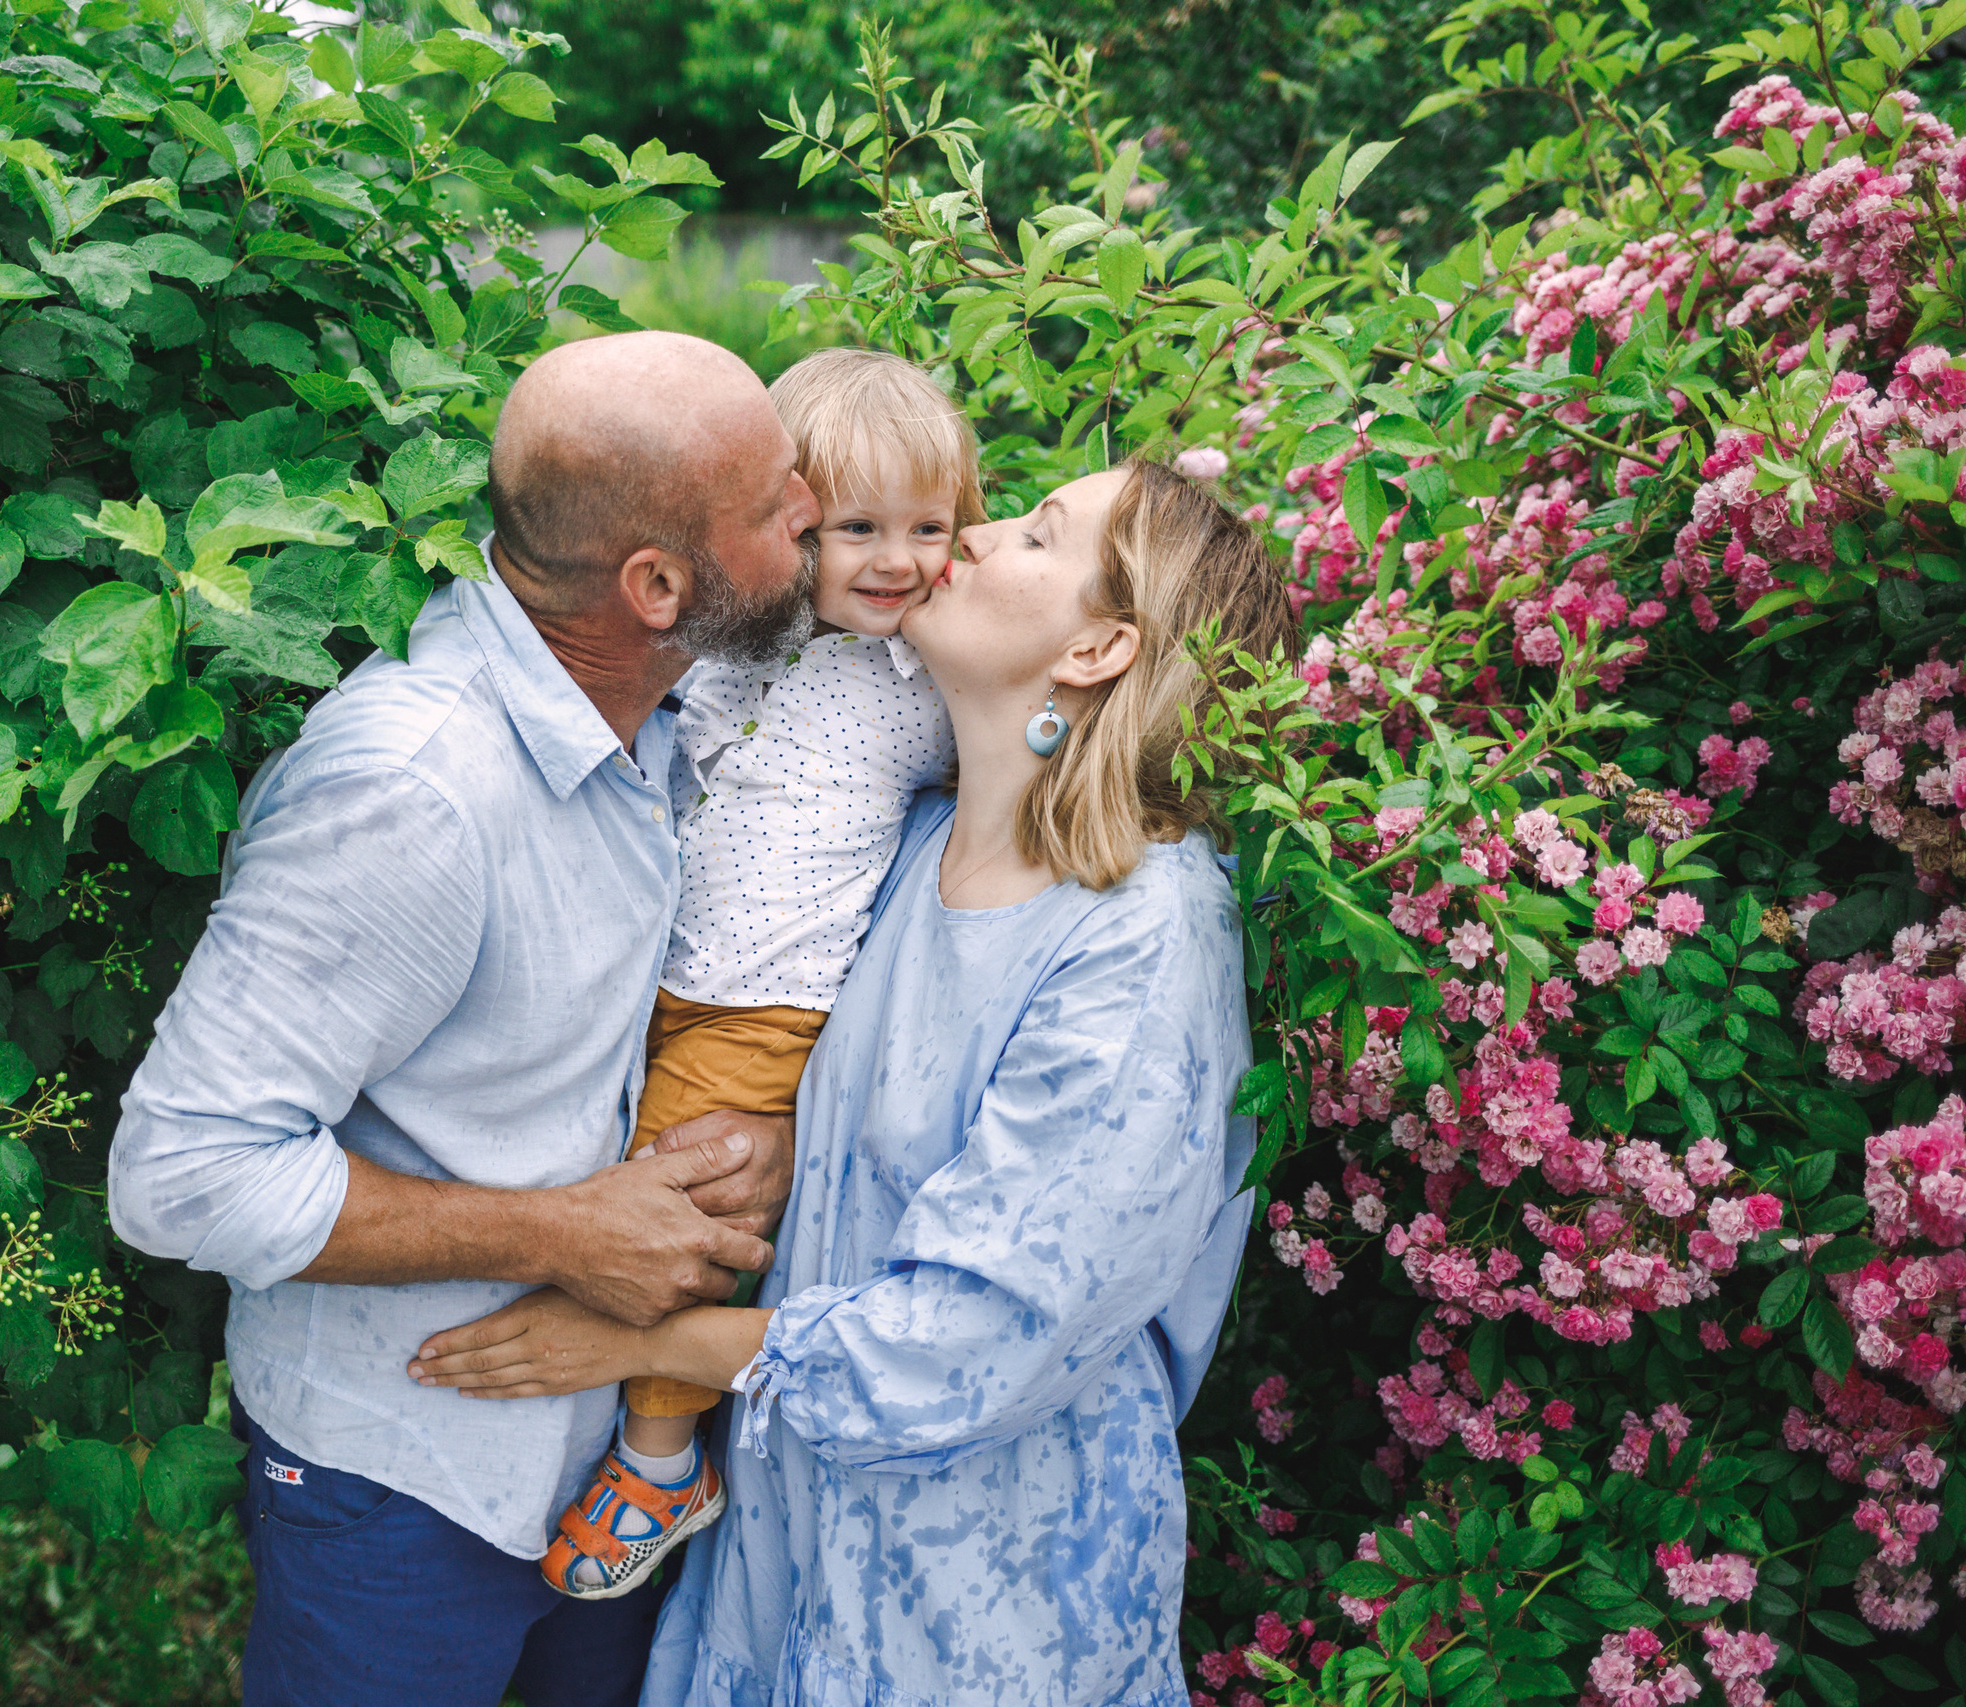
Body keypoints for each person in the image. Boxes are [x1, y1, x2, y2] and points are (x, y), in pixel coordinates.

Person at [407, 457, 1299, 1707]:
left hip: (984, 1608)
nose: (974, 538)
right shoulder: (904, 842)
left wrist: (637, 1339)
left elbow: (979, 1343)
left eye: (1037, 538)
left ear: (1098, 649)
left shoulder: (1143, 936)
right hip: (780, 1569)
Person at [106, 330, 824, 1707]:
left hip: (607, 1461)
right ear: (658, 584)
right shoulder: (415, 794)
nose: (813, 508)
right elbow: (183, 1172)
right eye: (776, 496)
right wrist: (558, 1229)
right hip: (407, 1478)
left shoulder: (657, 715)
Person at [541, 349, 984, 1602]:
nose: (894, 559)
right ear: (793, 522)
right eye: (855, 527)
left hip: (771, 1008)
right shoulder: (738, 644)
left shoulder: (929, 682)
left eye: (928, 528)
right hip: (660, 971)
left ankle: (661, 1457)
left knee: (686, 1205)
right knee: (601, 1164)